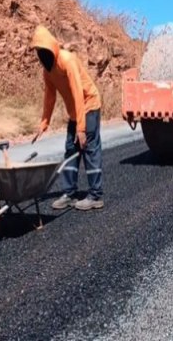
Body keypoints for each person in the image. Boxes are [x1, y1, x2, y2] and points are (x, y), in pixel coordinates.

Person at [30, 25, 104, 210]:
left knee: (88, 148)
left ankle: (96, 196)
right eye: (39, 52)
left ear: (52, 47)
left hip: (89, 104)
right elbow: (50, 96)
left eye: (44, 50)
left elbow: (78, 92)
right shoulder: (48, 71)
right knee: (70, 150)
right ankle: (69, 194)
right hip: (76, 111)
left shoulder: (67, 60)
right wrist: (44, 122)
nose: (42, 55)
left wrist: (81, 128)